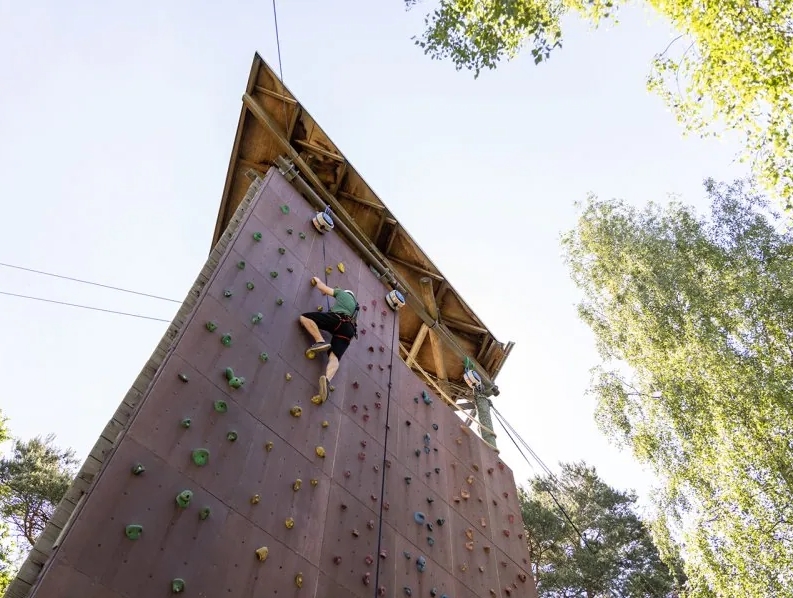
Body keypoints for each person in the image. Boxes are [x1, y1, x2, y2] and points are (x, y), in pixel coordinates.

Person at [298, 276, 359, 402]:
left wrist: (318, 281)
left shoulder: (342, 293)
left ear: (347, 293)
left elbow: (322, 288)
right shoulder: (355, 309)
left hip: (337, 319)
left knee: (305, 318)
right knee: (335, 357)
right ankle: (327, 379)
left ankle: (319, 341)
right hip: (349, 331)